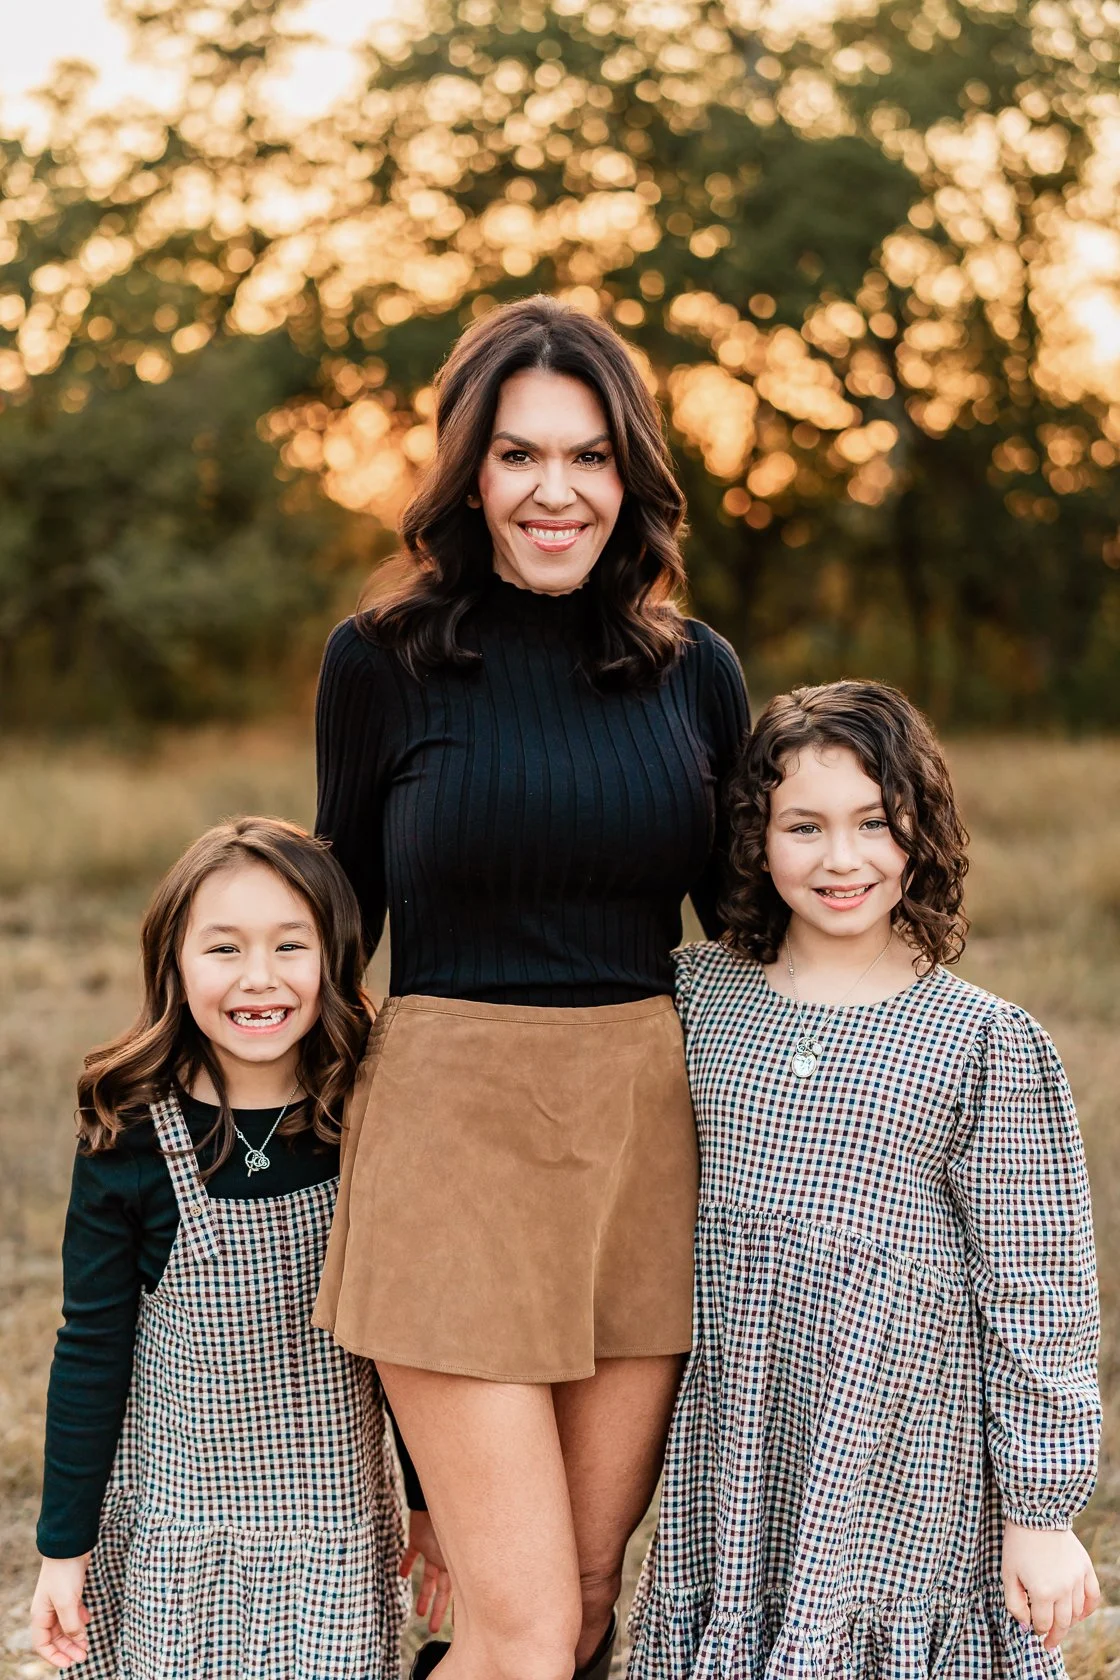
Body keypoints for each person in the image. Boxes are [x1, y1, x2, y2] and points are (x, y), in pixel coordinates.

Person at [312, 294, 750, 1680]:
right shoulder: (381, 661)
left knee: (587, 1593)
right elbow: (338, 927)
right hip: (450, 1141)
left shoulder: (698, 676)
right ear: (468, 473)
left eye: (590, 457)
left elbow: (748, 935)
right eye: (518, 456)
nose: (555, 491)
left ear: (633, 477)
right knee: (521, 1626)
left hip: (640, 1146)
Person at [628, 680, 1102, 1679]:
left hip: (898, 1437)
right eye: (803, 826)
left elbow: (1035, 1285)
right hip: (740, 1422)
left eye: (873, 825)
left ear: (918, 832)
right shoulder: (693, 993)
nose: (840, 859)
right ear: (755, 839)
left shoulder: (982, 1040)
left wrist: (1040, 1512)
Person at [30, 817, 414, 1678]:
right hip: (179, 1534)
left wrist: (426, 1508)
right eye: (224, 949)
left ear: (336, 957)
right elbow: (91, 1347)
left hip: (331, 1530)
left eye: (290, 946)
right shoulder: (132, 1136)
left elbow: (406, 1344)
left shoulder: (365, 1118)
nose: (259, 979)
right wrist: (63, 1550)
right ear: (173, 961)